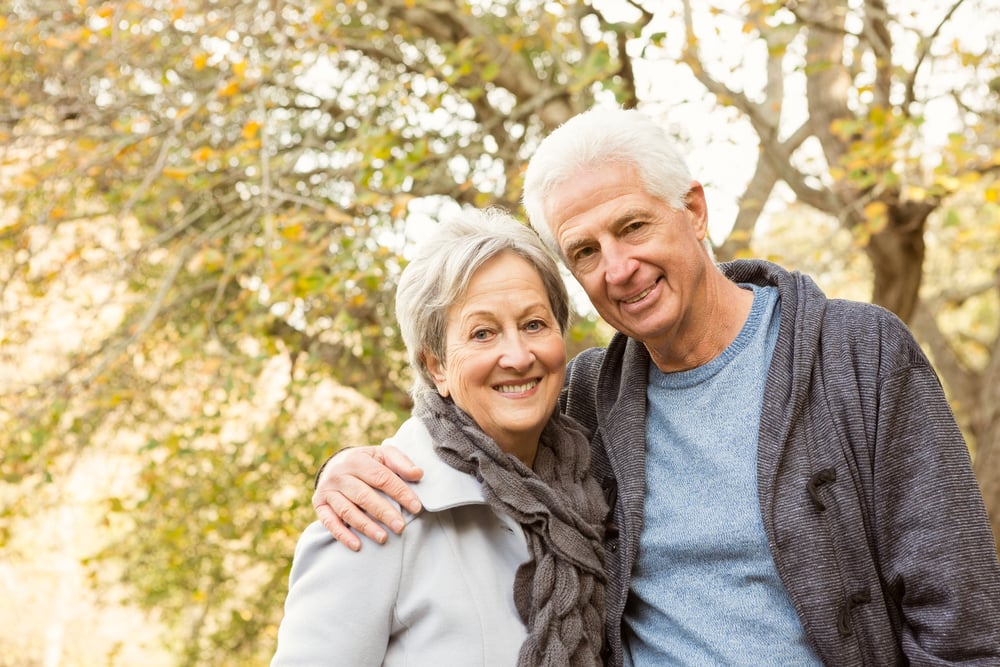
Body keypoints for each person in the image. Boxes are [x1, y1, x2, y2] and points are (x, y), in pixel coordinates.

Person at [311, 106, 1000, 666]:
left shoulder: (856, 355)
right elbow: (474, 431)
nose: (618, 268)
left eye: (632, 226)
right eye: (585, 251)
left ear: (693, 210)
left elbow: (963, 624)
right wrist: (347, 469)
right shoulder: (586, 399)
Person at [271, 208, 608, 666]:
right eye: (483, 333)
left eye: (534, 324)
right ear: (436, 367)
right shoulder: (373, 512)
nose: (517, 355)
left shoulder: (593, 485)